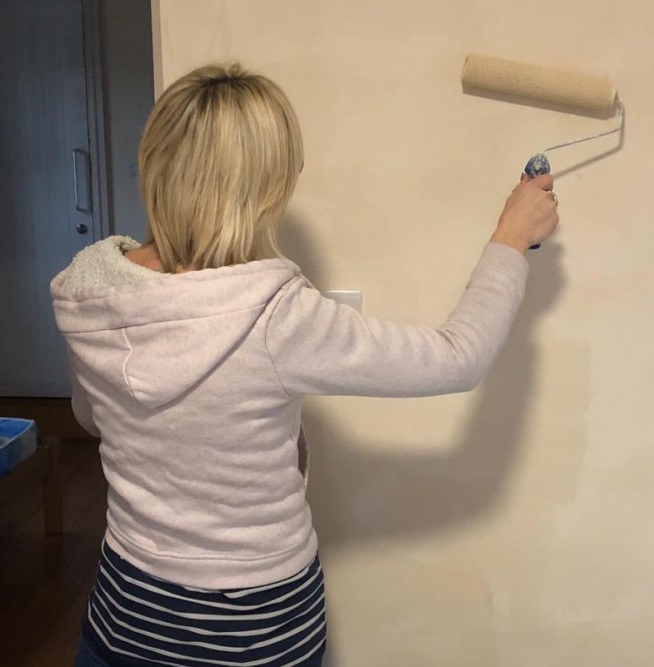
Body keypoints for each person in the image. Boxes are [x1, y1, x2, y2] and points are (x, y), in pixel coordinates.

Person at [51, 62, 558, 667]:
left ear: (154, 163)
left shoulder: (89, 290)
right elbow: (458, 358)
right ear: (268, 190)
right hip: (252, 628)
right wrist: (510, 239)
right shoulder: (276, 315)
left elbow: (91, 418)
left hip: (124, 613)